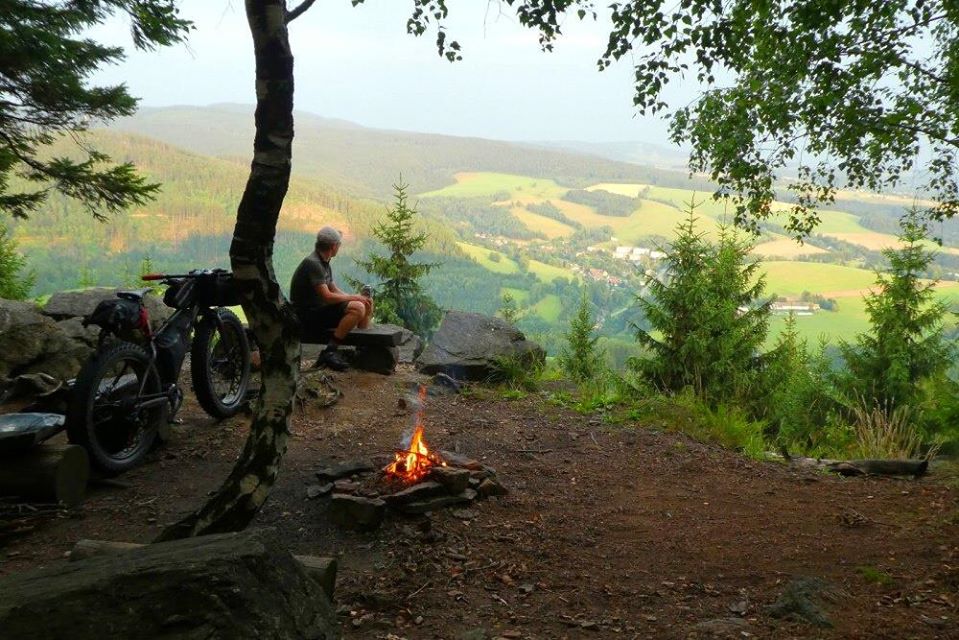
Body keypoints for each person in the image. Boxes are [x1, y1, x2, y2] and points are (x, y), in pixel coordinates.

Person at [290, 226, 373, 370]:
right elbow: (327, 297)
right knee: (358, 307)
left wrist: (358, 298)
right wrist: (355, 299)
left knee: (364, 303)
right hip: (307, 315)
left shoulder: (324, 262)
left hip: (318, 310)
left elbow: (334, 289)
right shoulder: (314, 264)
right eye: (339, 245)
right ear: (334, 246)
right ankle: (329, 352)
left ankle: (362, 349)